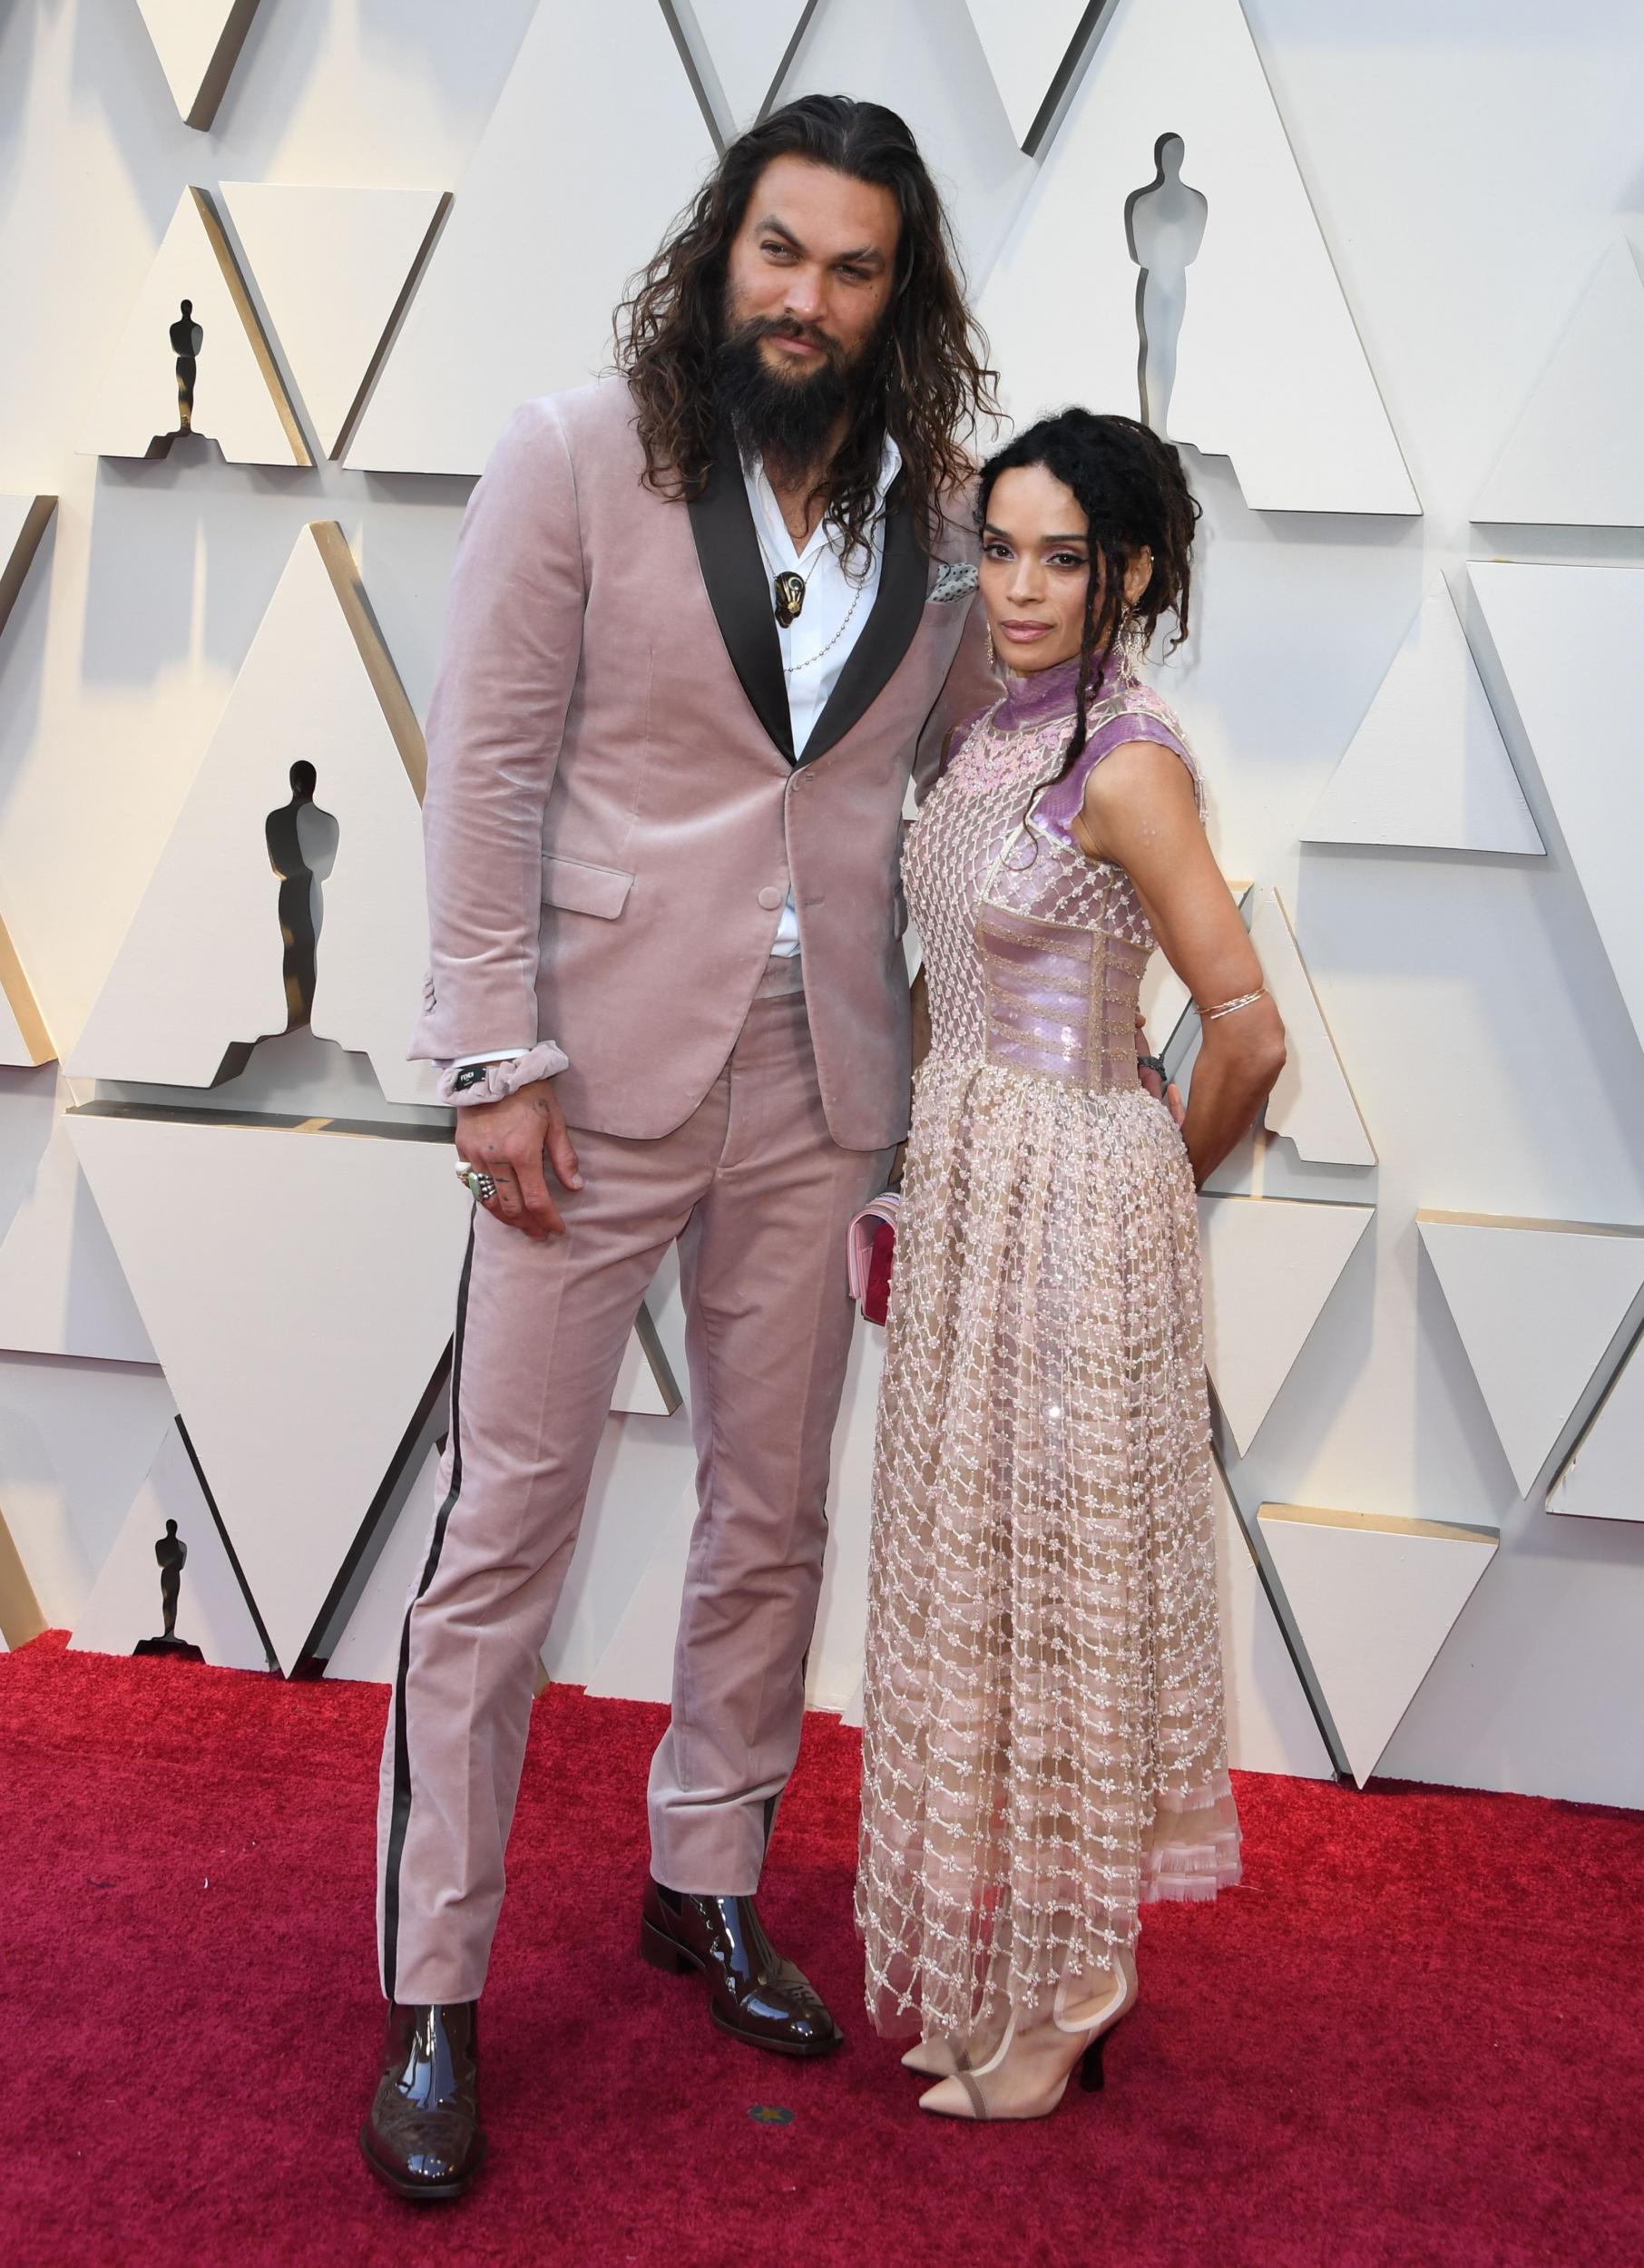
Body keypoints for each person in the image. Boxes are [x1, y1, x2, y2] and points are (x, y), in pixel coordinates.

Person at [361, 95, 999, 2201]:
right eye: (777, 251)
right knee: (505, 1539)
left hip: (823, 1082)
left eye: (851, 267)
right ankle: (433, 1985)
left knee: (769, 1509)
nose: (804, 298)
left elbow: (974, 773)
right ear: (721, 250)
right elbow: (491, 769)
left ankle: (701, 1873)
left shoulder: (944, 513)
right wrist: (493, 1055)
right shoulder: (576, 453)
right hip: (588, 1067)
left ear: (899, 293)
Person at [854, 409, 1287, 2122]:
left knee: (1071, 1603)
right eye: (1004, 550)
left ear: (1133, 574)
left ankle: (1080, 1985)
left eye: (1064, 558)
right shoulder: (985, 746)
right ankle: (1027, 1971)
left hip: (1074, 1209)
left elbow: (1244, 1030)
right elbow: (942, 976)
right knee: (998, 1594)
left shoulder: (1127, 767)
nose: (1021, 590)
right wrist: (908, 1183)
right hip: (972, 1198)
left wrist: (1143, 1185)